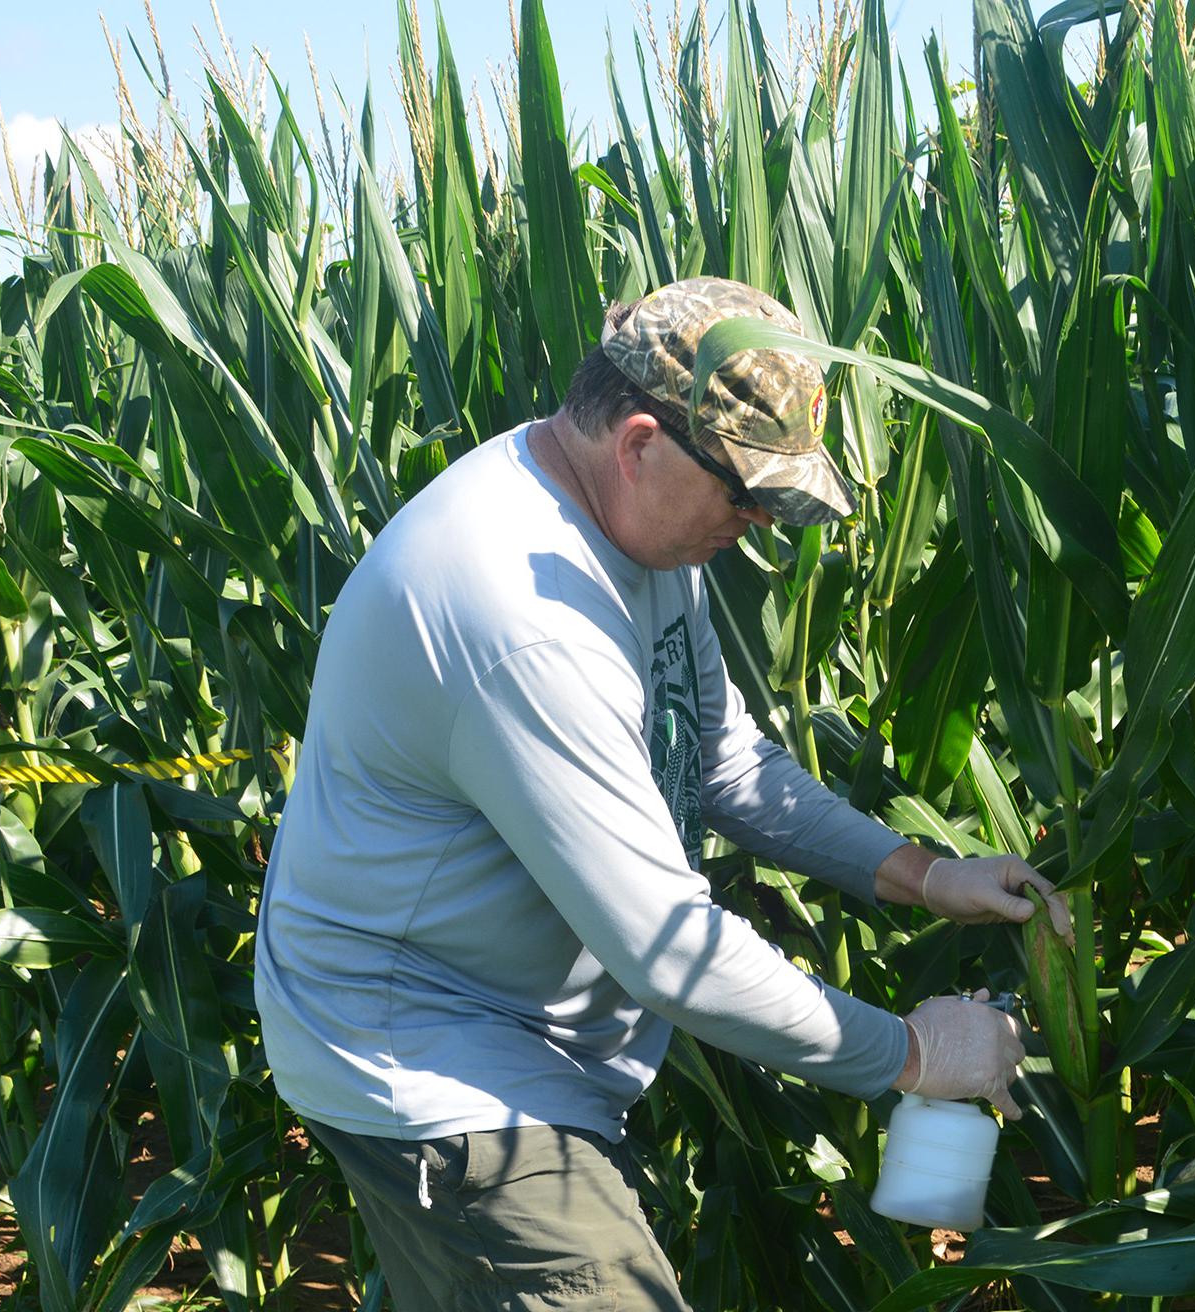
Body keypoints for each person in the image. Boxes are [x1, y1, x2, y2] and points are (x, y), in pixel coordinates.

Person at [254, 277, 1068, 1310]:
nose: (758, 522)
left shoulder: (634, 523)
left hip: (518, 1029)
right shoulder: (521, 614)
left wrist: (919, 872)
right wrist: (911, 1054)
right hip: (428, 1051)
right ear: (640, 440)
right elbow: (671, 953)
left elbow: (722, 755)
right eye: (746, 494)